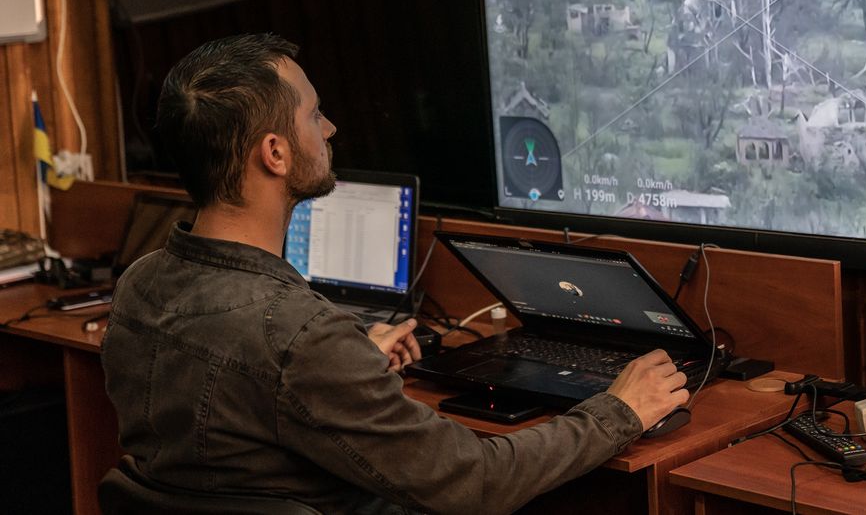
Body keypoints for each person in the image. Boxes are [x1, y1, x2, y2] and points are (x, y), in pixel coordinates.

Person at [100, 34, 689, 514]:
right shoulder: (301, 338)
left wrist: (350, 370)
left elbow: (239, 421)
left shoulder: (140, 287)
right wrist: (620, 409)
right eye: (315, 114)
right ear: (275, 154)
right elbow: (478, 484)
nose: (329, 129)